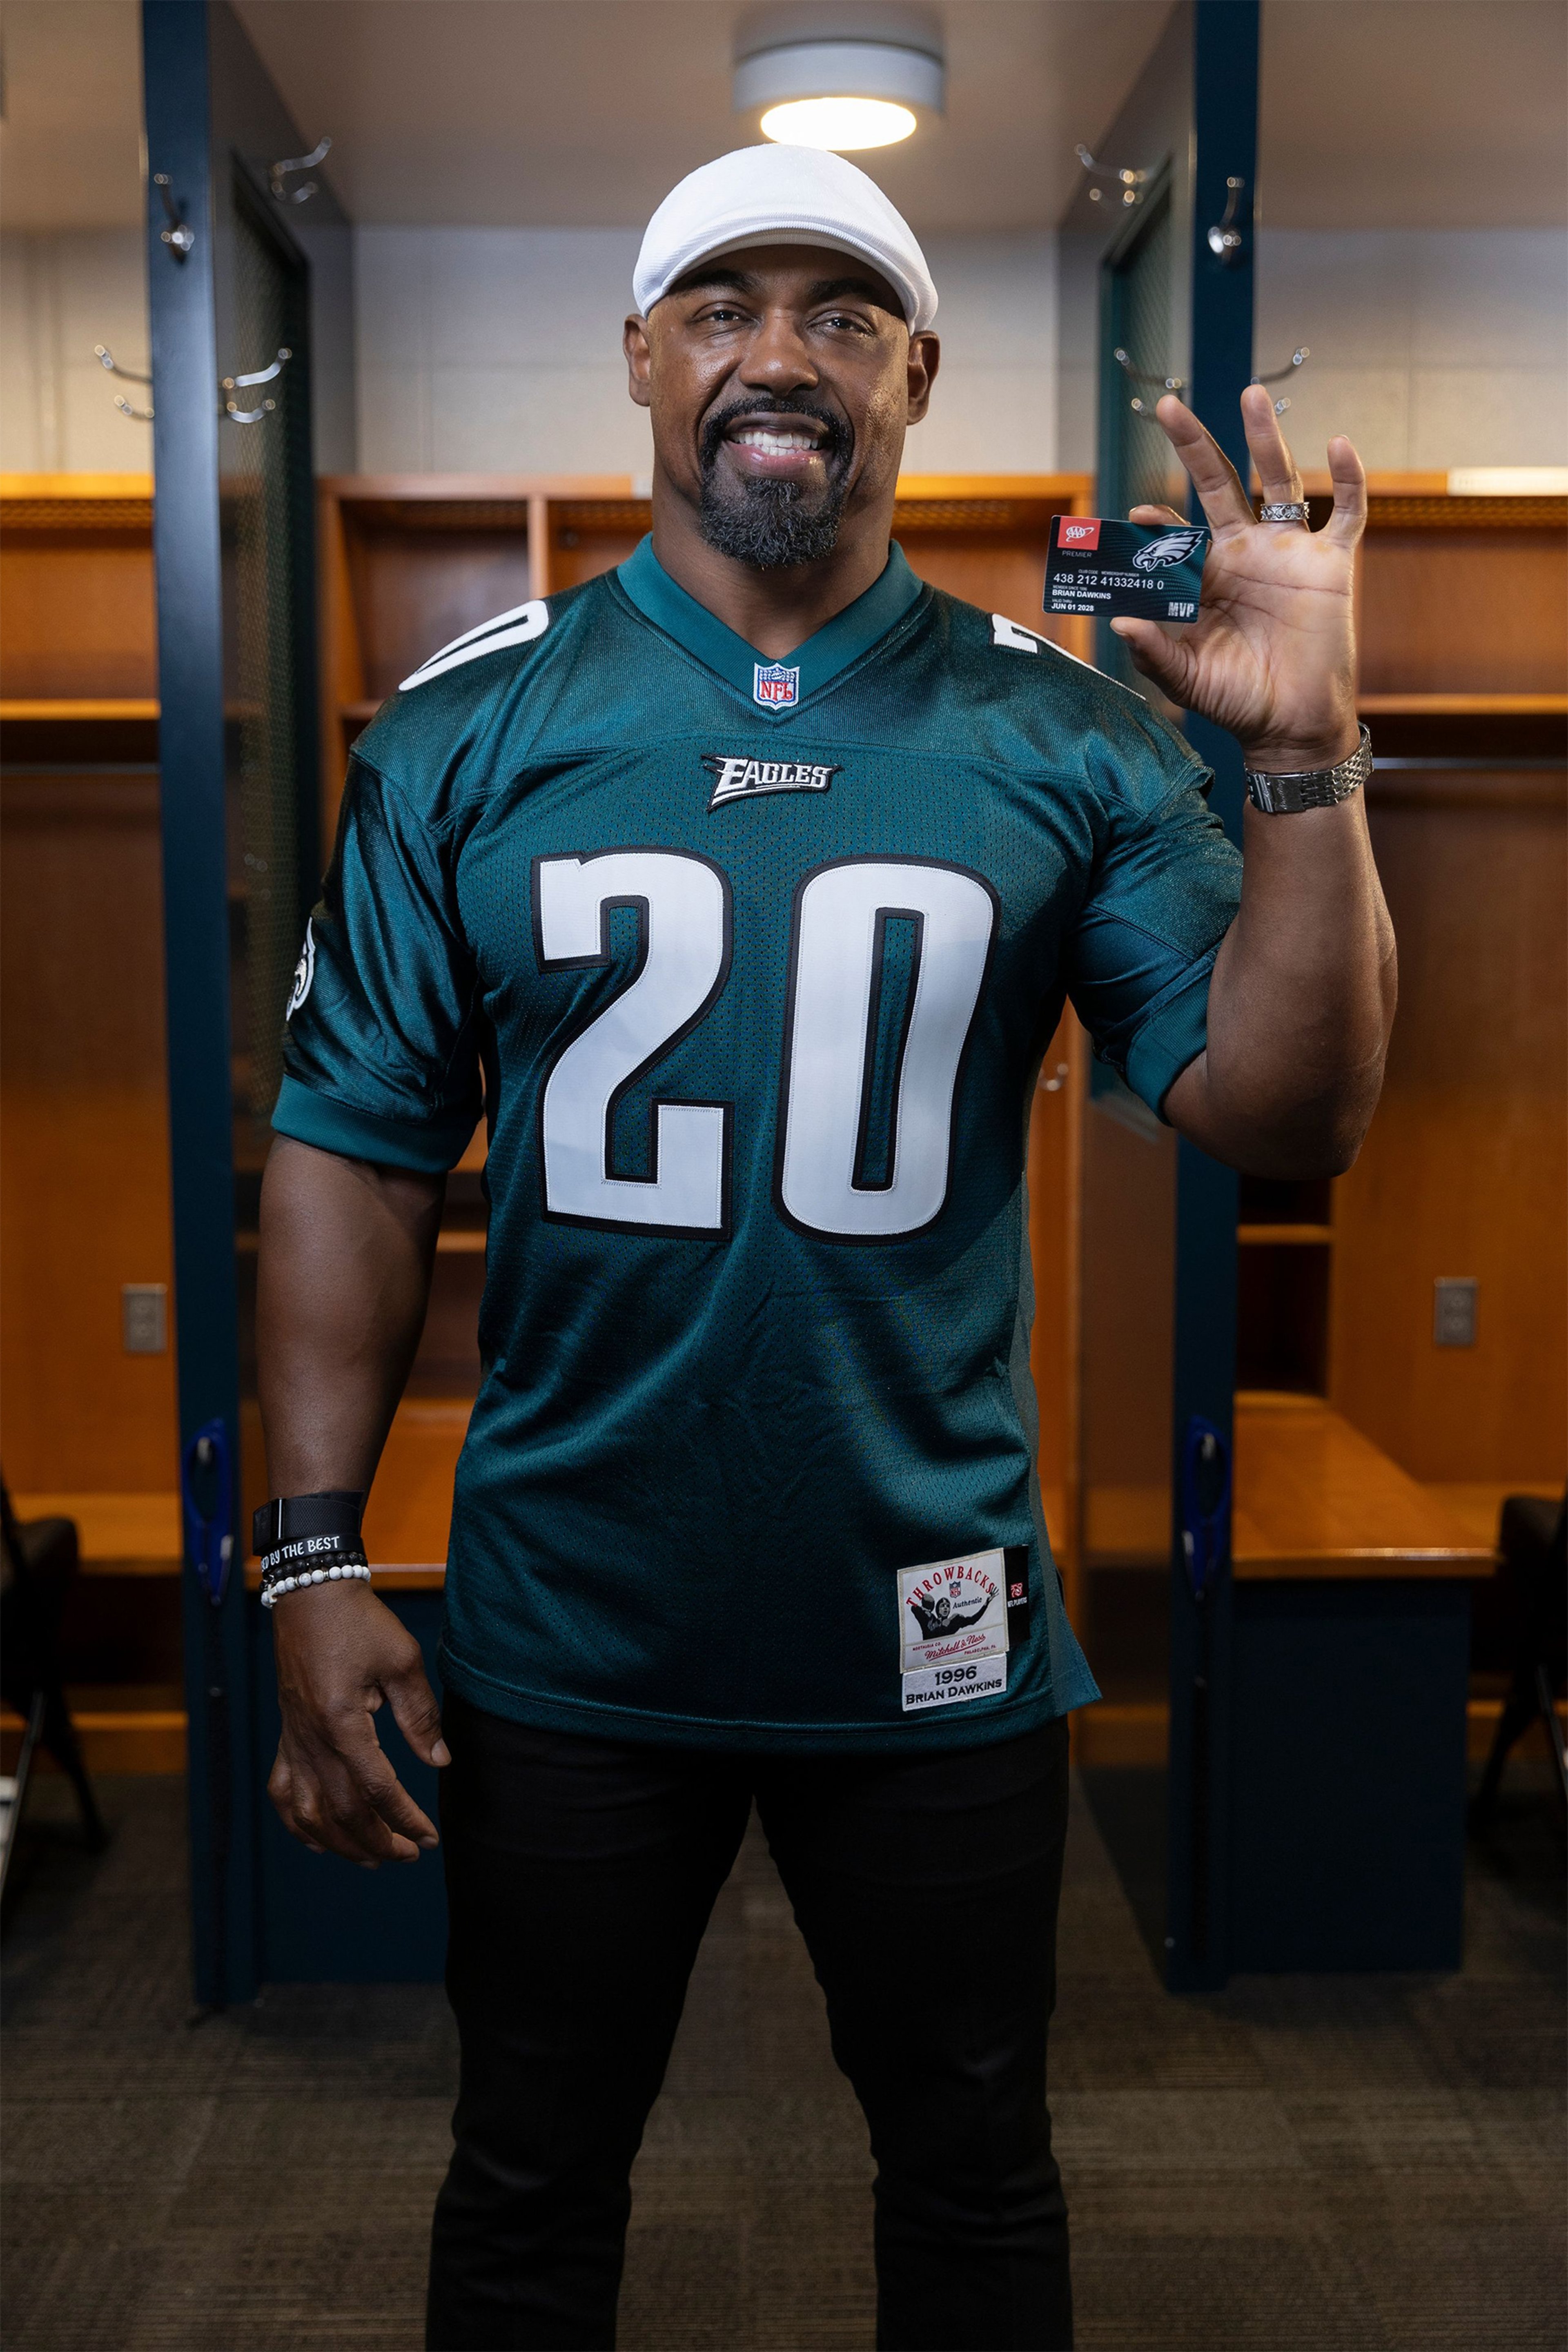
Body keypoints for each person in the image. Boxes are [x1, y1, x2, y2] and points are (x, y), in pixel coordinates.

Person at [256, 143, 1394, 2352]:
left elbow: (1294, 1111)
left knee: (974, 2181)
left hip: (937, 1620)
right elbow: (354, 1156)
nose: (780, 355)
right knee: (528, 2177)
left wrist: (1312, 769)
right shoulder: (470, 727)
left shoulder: (1071, 725)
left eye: (842, 311)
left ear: (920, 375)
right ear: (641, 359)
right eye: (723, 304)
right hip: (569, 1622)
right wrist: (309, 1560)